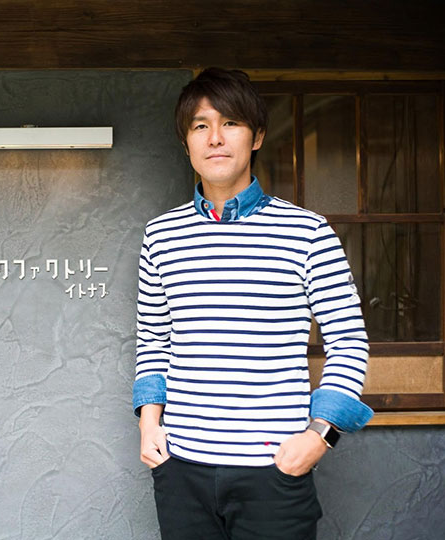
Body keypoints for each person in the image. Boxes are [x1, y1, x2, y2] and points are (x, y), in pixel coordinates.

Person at [132, 68, 373, 540]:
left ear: (257, 136)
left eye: (231, 123)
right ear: (186, 143)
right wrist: (149, 425)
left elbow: (348, 341)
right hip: (181, 470)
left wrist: (320, 435)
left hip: (273, 472)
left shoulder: (308, 232)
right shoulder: (160, 235)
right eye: (200, 126)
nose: (215, 138)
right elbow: (153, 339)